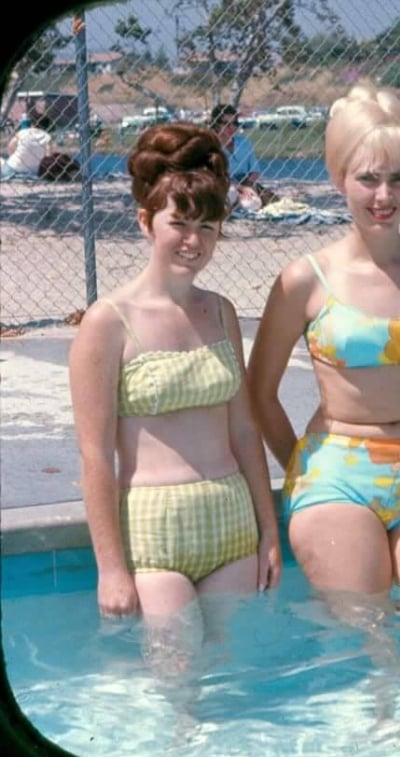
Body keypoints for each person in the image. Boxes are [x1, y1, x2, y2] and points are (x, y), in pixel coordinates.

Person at [247, 81, 400, 620]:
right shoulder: (303, 281)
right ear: (339, 179)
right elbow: (259, 393)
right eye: (368, 179)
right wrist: (302, 467)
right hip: (333, 469)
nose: (384, 197)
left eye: (398, 179)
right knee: (368, 638)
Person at [67, 122, 281, 669]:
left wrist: (269, 531)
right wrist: (110, 567)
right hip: (153, 532)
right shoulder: (107, 323)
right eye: (179, 223)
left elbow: (243, 431)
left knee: (226, 676)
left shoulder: (223, 312)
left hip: (230, 524)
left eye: (208, 226)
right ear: (146, 222)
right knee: (175, 681)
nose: (193, 240)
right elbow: (95, 454)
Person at [208, 104, 278, 210]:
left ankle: (236, 204)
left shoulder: (244, 142)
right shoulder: (210, 145)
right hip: (223, 185)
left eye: (234, 123)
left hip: (245, 182)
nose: (231, 127)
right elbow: (212, 176)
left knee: (252, 204)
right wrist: (240, 187)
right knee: (230, 193)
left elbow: (255, 170)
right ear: (216, 124)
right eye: (226, 123)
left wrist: (248, 186)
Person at [1, 110, 55, 180]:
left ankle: (13, 176)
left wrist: (14, 156)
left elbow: (10, 147)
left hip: (13, 168)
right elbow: (48, 156)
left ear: (32, 123)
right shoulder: (47, 137)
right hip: (34, 171)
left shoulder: (23, 132)